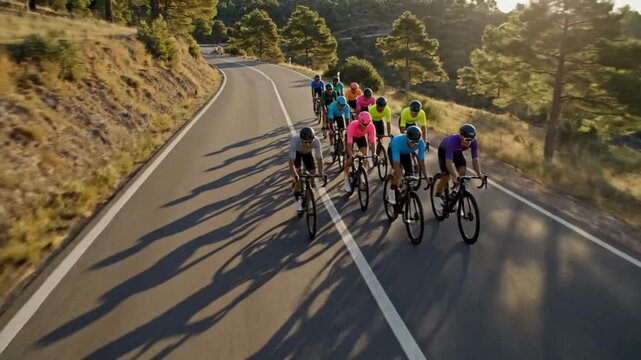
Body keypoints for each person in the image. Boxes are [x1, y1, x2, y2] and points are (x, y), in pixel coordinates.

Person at [435, 124, 485, 200]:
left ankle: (455, 191)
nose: (469, 142)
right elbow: (448, 163)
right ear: (461, 137)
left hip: (457, 152)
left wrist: (479, 173)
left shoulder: (473, 142)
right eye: (467, 139)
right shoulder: (452, 142)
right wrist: (454, 175)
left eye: (471, 139)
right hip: (444, 151)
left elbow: (475, 159)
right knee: (446, 176)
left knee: (462, 171)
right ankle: (437, 196)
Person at [386, 126, 430, 204]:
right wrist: (399, 175)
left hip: (406, 154)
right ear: (407, 138)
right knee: (399, 174)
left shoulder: (421, 142)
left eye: (416, 142)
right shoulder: (397, 141)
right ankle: (391, 191)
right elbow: (396, 164)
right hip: (394, 150)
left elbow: (422, 162)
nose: (414, 144)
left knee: (410, 176)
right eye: (412, 142)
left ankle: (401, 193)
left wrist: (426, 176)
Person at [289, 127, 324, 213]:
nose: (308, 144)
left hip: (308, 153)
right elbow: (291, 163)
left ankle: (310, 196)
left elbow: (319, 159)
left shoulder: (316, 141)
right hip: (297, 154)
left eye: (310, 142)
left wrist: (321, 173)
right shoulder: (294, 141)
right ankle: (297, 200)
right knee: (298, 182)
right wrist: (295, 176)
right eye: (305, 142)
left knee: (312, 175)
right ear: (301, 140)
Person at [343, 112, 376, 192]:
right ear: (359, 122)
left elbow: (372, 142)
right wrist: (351, 156)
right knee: (348, 161)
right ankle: (346, 181)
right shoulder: (352, 125)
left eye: (366, 125)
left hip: (361, 137)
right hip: (351, 137)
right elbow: (349, 145)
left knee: (365, 155)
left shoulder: (371, 126)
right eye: (363, 125)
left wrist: (374, 154)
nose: (365, 127)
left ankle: (362, 176)